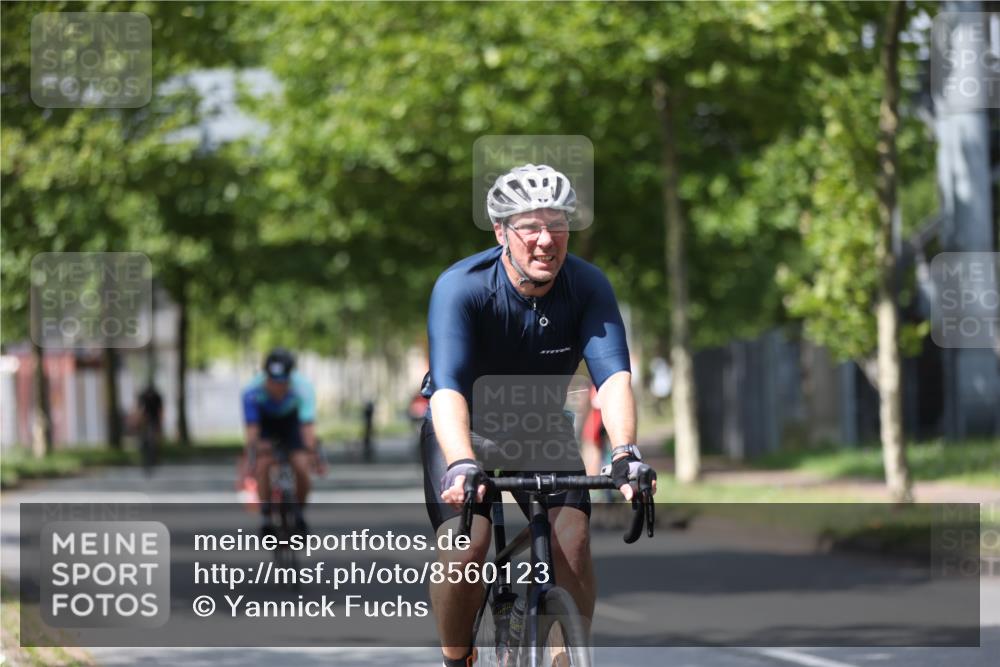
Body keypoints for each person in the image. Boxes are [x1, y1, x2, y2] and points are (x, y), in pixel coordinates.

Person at [420, 164, 656, 667]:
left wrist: (625, 453)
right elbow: (447, 388)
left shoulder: (588, 286)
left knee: (572, 541)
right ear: (501, 232)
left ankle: (566, 656)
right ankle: (456, 658)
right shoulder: (461, 287)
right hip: (465, 428)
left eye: (557, 225)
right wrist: (461, 461)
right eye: (530, 227)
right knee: (467, 548)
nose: (546, 240)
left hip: (539, 426)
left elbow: (614, 377)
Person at [241, 347, 319, 536]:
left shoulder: (303, 389)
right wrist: (253, 454)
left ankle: (299, 513)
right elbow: (252, 430)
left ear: (290, 378)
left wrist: (311, 453)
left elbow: (307, 426)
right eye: (273, 381)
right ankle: (266, 515)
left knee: (301, 466)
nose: (277, 387)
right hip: (266, 423)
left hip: (291, 423)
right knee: (263, 464)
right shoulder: (251, 392)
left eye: (283, 382)